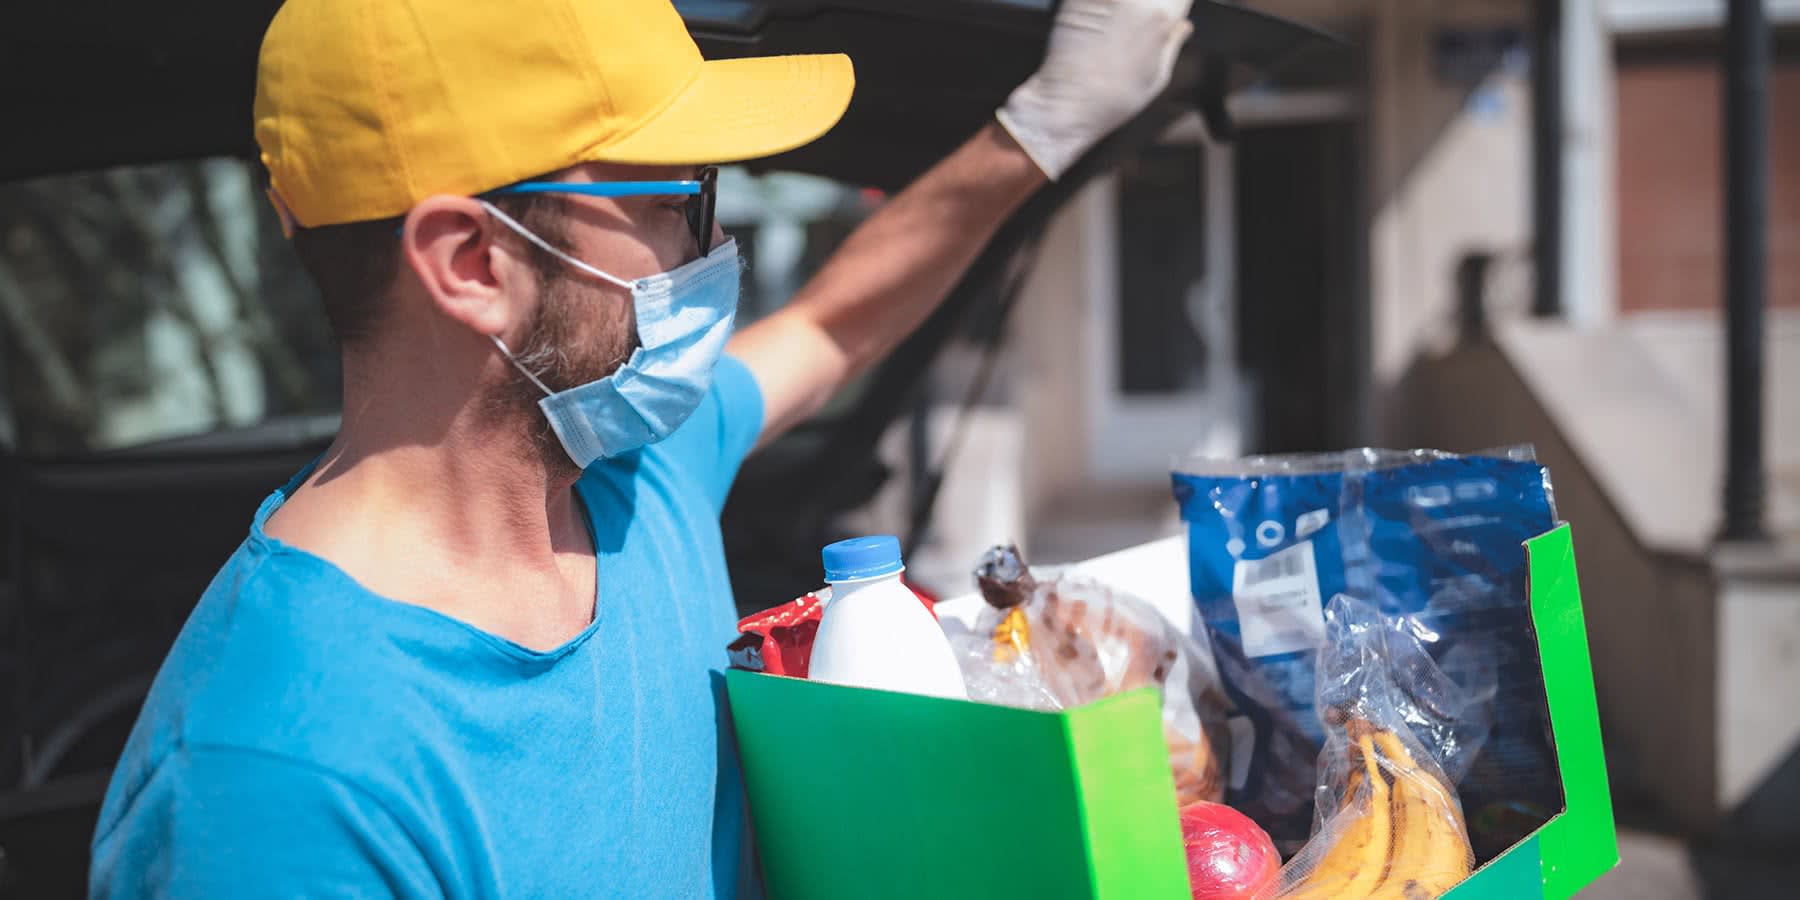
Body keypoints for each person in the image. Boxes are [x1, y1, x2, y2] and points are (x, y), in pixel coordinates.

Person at [88, 0, 1195, 895]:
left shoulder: (633, 469)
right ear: (474, 262)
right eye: (681, 193)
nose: (719, 243)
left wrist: (1043, 130)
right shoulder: (278, 782)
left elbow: (828, 324)